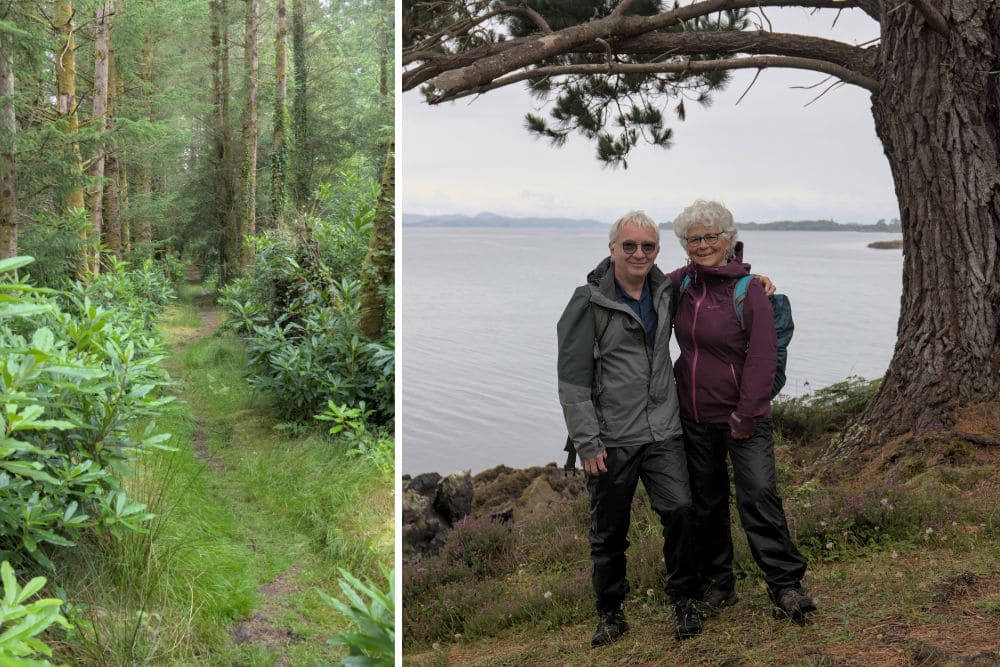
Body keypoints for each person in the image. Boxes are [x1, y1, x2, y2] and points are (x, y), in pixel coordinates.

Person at [557, 211, 702, 647]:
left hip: (663, 430)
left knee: (680, 511)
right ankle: (610, 613)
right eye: (629, 245)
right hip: (610, 438)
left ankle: (683, 601)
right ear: (612, 248)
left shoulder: (666, 290)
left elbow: (713, 278)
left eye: (648, 246)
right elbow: (572, 379)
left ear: (658, 251)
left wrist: (760, 281)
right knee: (608, 533)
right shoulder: (587, 302)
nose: (639, 253)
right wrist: (586, 442)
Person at [666, 199, 816, 621]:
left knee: (759, 498)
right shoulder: (682, 285)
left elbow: (763, 357)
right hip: (694, 417)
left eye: (711, 236)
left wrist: (745, 415)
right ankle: (719, 585)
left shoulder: (748, 290)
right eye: (694, 239)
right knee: (706, 505)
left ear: (728, 239)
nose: (702, 245)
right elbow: (638, 280)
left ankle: (785, 586)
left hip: (743, 419)